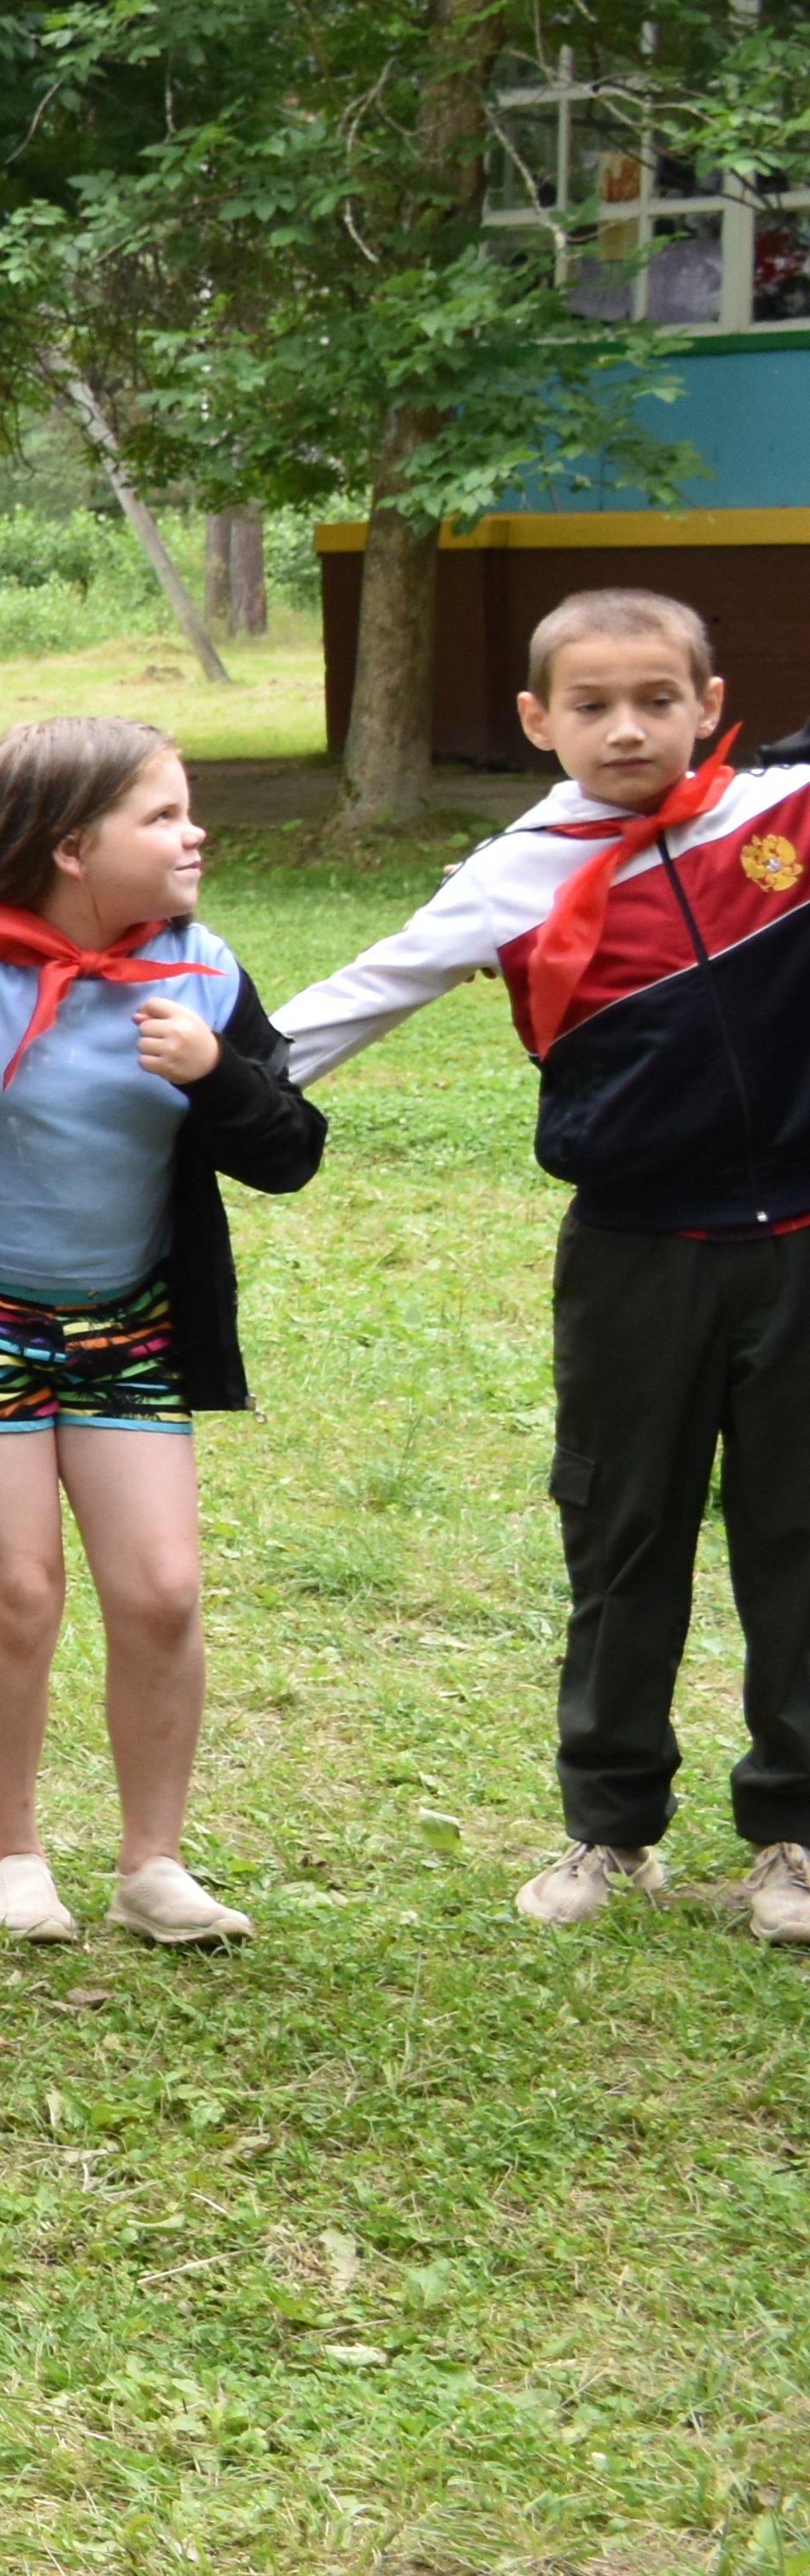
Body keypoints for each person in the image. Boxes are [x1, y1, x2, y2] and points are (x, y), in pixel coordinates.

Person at [275, 590, 809, 1942]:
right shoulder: (521, 866)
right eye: (590, 705)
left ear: (706, 701)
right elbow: (359, 997)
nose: (626, 728)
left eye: (654, 700)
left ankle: (795, 1840)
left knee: (800, 1541)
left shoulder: (785, 816)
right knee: (622, 1536)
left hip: (802, 1248)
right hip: (634, 1256)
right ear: (537, 719)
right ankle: (609, 1829)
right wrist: (186, 1092)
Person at [0, 722, 327, 1950]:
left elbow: (290, 1149)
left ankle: (153, 1866)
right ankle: (11, 1855)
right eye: (165, 816)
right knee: (19, 1592)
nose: (196, 835)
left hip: (129, 1320)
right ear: (72, 847)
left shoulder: (202, 968)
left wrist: (212, 1073)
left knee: (164, 1591)